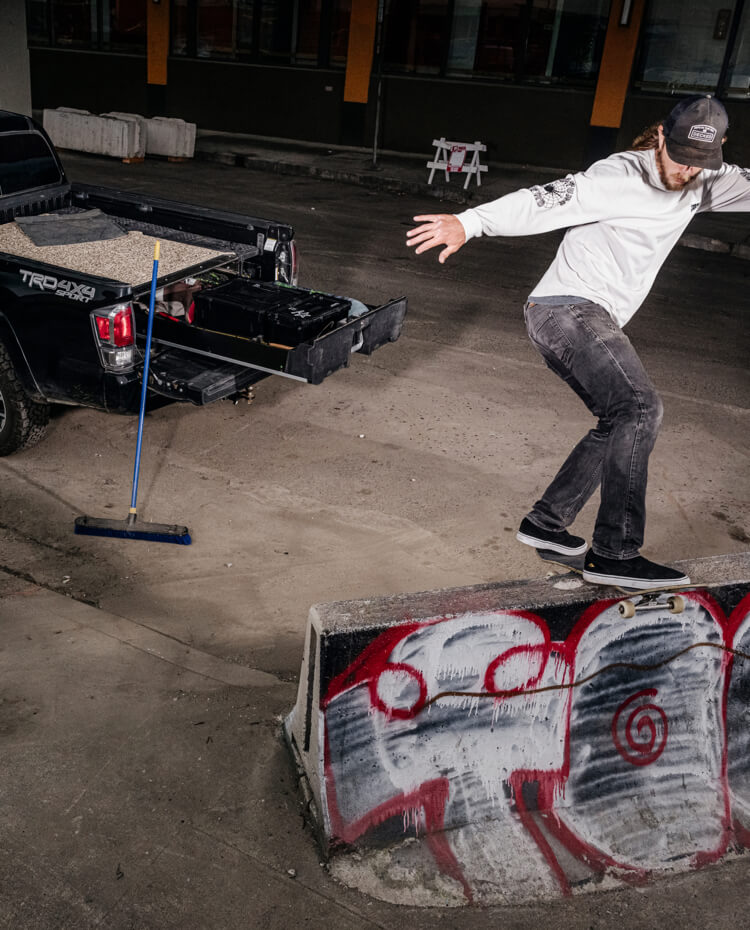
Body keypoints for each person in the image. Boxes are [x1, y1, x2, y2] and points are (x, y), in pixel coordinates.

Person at [406, 95, 750, 589]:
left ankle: (546, 523)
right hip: (565, 309)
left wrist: (701, 172)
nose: (686, 172)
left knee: (618, 422)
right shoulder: (619, 176)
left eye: (699, 163)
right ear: (659, 138)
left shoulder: (707, 178)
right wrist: (471, 222)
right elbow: (544, 201)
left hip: (587, 316)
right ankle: (615, 552)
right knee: (640, 408)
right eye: (679, 158)